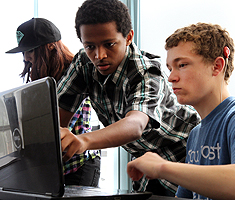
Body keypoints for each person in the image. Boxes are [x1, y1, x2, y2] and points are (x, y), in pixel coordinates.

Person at [56, 0, 200, 196]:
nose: (99, 55)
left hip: (187, 156)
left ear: (129, 37)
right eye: (90, 46)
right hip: (146, 161)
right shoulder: (83, 64)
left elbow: (135, 125)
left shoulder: (146, 72)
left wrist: (84, 141)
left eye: (109, 44)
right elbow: (58, 115)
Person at [126, 22, 235, 200]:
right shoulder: (195, 134)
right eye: (170, 68)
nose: (171, 77)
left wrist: (162, 167)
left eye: (182, 65)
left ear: (217, 66)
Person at [5, 18, 101, 187]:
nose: (26, 58)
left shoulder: (75, 72)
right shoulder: (42, 80)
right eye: (24, 52)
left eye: (31, 51)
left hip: (79, 165)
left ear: (50, 46)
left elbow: (59, 123)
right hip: (55, 166)